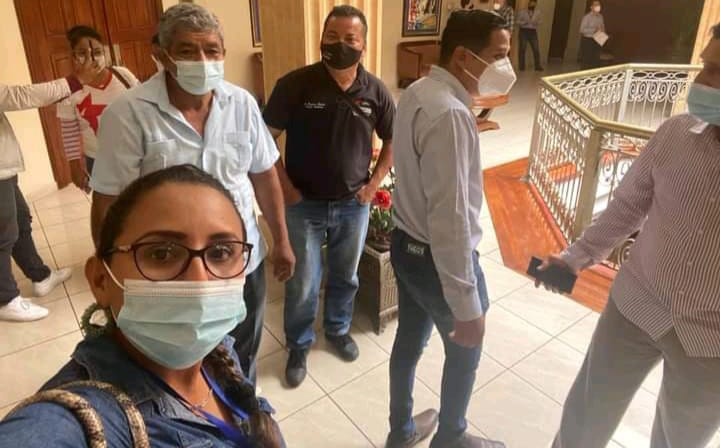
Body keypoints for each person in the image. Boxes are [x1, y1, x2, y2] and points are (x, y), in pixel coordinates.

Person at [0, 165, 285, 447]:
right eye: (161, 253)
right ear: (100, 280)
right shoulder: (74, 421)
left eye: (221, 252)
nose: (199, 281)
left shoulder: (220, 351)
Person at [89, 3, 295, 386]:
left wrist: (281, 240)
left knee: (243, 351)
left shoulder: (242, 104)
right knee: (178, 365)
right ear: (162, 54)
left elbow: (264, 175)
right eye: (187, 50)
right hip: (172, 272)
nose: (202, 61)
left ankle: (241, 407)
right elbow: (107, 201)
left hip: (240, 262)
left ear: (223, 53)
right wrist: (111, 274)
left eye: (211, 50)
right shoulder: (129, 113)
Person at [540, 25, 720, 448]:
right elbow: (627, 207)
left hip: (711, 340)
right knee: (586, 418)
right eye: (705, 65)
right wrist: (574, 258)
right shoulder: (674, 135)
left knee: (681, 440)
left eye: (716, 71)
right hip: (635, 304)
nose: (701, 80)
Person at [387, 10, 514, 448]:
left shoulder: (418, 90)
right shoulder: (451, 115)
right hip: (435, 261)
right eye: (497, 55)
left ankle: (401, 431)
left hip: (405, 245)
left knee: (408, 342)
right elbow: (451, 219)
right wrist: (466, 302)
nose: (506, 67)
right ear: (463, 56)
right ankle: (452, 439)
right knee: (465, 349)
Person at [262, 5, 395, 388]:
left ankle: (337, 329)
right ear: (321, 39)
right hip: (303, 205)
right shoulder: (296, 84)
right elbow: (264, 140)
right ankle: (299, 344)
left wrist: (373, 185)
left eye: (350, 39)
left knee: (345, 275)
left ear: (363, 45)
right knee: (303, 280)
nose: (340, 45)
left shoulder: (375, 91)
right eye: (332, 37)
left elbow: (393, 138)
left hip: (354, 205)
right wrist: (286, 188)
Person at [0, 62, 100, 322]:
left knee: (21, 221)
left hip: (4, 168)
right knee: (3, 233)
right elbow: (20, 96)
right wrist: (73, 81)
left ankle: (40, 276)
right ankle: (6, 299)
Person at [57, 25, 139, 192]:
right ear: (73, 56)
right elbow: (69, 132)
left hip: (135, 153)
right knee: (111, 204)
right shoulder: (67, 89)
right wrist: (75, 166)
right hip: (99, 160)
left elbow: (144, 105)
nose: (92, 58)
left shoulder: (122, 75)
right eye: (82, 53)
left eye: (97, 51)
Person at [516, 0, 543, 71]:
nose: (532, 5)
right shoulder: (522, 12)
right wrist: (524, 22)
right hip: (524, 31)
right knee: (522, 49)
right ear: (529, 4)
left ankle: (537, 66)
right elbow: (517, 21)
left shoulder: (538, 12)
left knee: (536, 49)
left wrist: (536, 22)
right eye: (531, 3)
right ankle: (522, 67)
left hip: (533, 31)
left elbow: (540, 21)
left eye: (534, 4)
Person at [579, 0, 605, 69]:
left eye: (598, 5)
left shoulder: (600, 17)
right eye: (595, 5)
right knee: (587, 60)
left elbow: (602, 27)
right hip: (588, 40)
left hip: (598, 40)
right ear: (591, 7)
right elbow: (581, 30)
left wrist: (602, 32)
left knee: (595, 60)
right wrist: (593, 30)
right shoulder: (587, 17)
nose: (598, 7)